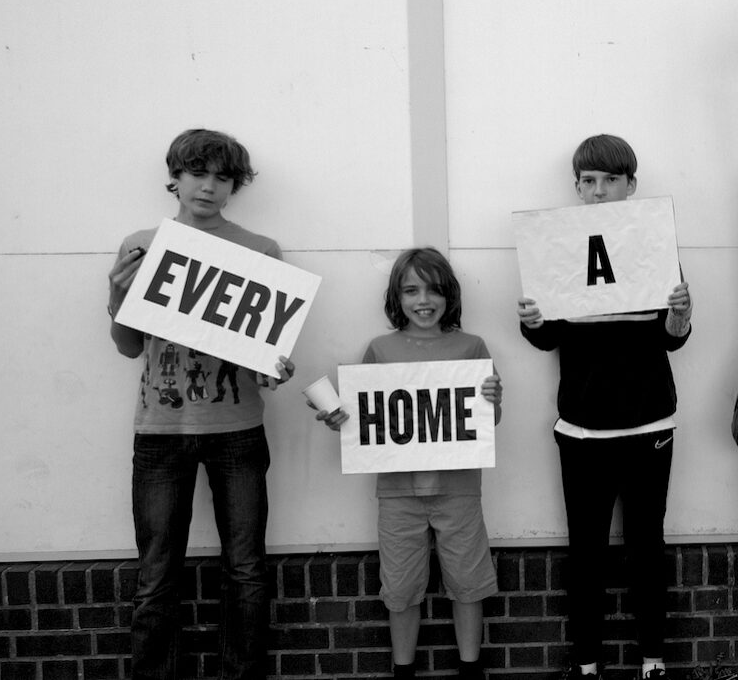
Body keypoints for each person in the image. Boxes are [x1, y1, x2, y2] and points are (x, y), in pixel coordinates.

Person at [105, 128, 295, 680]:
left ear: (235, 186)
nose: (208, 187)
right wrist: (119, 297)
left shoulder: (261, 251)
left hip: (238, 426)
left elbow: (269, 354)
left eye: (221, 177)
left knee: (246, 568)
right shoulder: (143, 244)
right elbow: (128, 347)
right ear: (176, 177)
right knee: (156, 572)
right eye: (197, 174)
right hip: (160, 428)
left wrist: (277, 368)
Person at [516, 134, 693, 680]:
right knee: (586, 551)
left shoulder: (655, 246)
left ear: (630, 187)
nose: (597, 191)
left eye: (609, 180)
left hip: (649, 423)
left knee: (647, 546)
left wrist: (680, 316)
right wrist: (533, 322)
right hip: (583, 428)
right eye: (587, 182)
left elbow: (672, 339)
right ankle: (587, 661)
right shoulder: (558, 250)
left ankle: (653, 659)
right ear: (576, 189)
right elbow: (549, 342)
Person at [313, 247, 502, 680]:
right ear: (396, 297)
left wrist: (493, 401)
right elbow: (360, 422)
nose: (423, 300)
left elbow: (487, 422)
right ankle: (404, 670)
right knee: (400, 588)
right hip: (397, 492)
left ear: (449, 295)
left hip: (458, 490)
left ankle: (471, 669)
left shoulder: (471, 346)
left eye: (434, 290)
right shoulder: (380, 349)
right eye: (411, 289)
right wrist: (336, 418)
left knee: (468, 583)